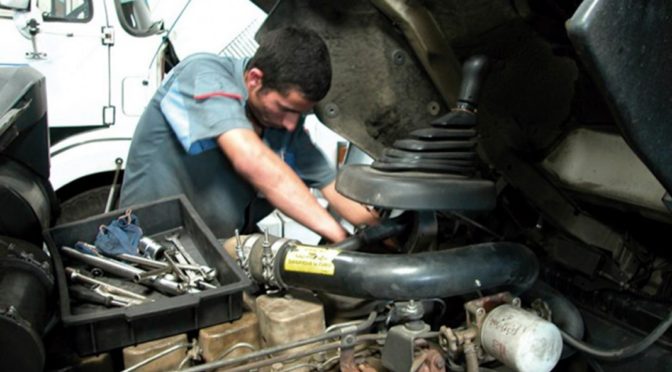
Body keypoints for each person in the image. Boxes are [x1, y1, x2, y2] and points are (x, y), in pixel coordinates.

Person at [119, 27, 376, 242]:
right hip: (153, 245)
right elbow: (253, 161)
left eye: (299, 113)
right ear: (255, 79)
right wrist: (338, 236)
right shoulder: (203, 77)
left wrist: (384, 234)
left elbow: (331, 186)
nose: (290, 124)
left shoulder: (282, 123)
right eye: (285, 108)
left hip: (220, 247)